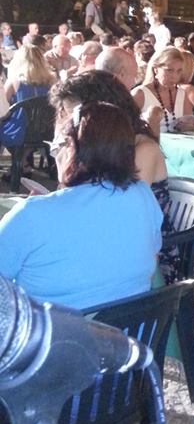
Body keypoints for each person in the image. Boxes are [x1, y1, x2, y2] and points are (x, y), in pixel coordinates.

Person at [0, 101, 162, 308]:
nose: (55, 155)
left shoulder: (31, 214)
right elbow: (150, 260)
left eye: (56, 147)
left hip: (53, 327)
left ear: (70, 148)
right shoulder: (143, 195)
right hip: (130, 325)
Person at [51, 70, 179, 283]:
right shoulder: (89, 147)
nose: (69, 124)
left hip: (141, 251)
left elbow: (116, 210)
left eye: (74, 115)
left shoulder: (143, 149)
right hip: (95, 235)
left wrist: (65, 177)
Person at [132, 46, 194, 133]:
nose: (174, 76)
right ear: (155, 69)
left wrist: (191, 127)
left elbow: (189, 130)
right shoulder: (140, 94)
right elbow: (126, 130)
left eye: (179, 71)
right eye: (169, 70)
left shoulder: (182, 94)